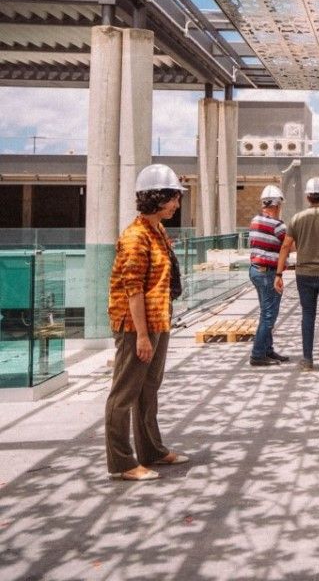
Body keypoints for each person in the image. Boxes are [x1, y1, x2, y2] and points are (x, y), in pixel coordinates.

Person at [105, 163, 189, 481]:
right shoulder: (135, 238)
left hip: (157, 319)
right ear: (157, 198)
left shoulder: (157, 231)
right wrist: (141, 335)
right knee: (124, 392)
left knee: (148, 387)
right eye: (173, 198)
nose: (177, 204)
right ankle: (122, 462)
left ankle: (151, 450)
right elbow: (133, 290)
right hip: (135, 325)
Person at [275, 177, 319, 373]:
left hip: (303, 274)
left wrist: (278, 273)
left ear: (307, 197)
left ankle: (307, 360)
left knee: (307, 315)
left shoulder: (297, 219)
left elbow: (286, 246)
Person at [248, 185, 289, 367]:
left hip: (255, 270)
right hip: (268, 273)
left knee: (265, 311)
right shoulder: (278, 226)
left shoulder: (255, 221)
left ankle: (267, 349)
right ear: (278, 204)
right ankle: (257, 354)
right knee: (269, 315)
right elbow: (291, 246)